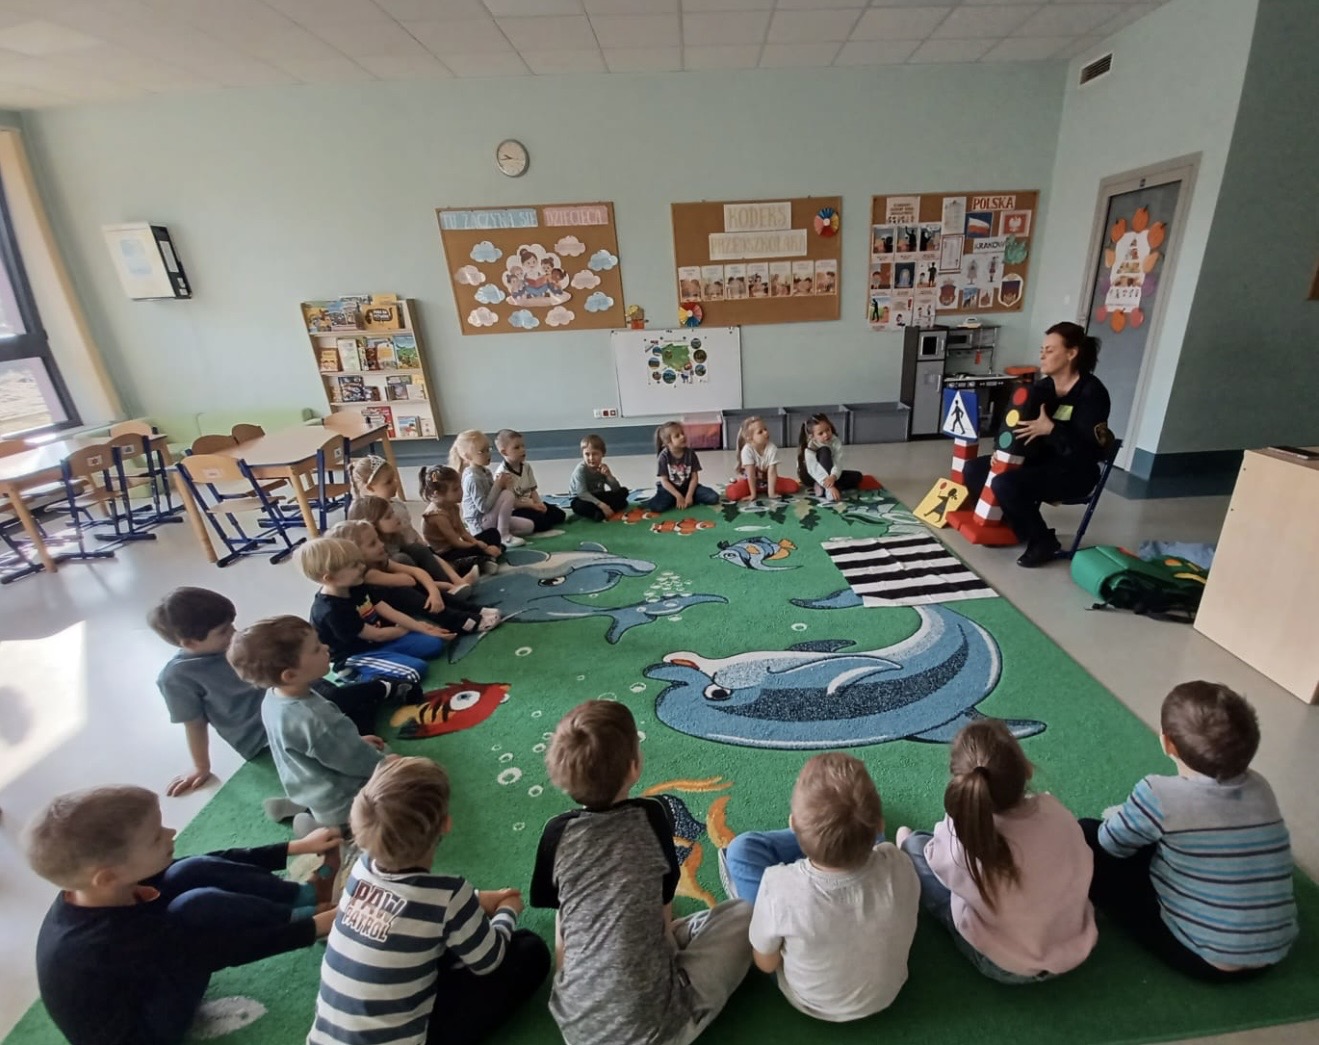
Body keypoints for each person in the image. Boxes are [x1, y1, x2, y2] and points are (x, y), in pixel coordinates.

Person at [28, 785, 337, 1045]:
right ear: (107, 876)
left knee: (188, 870)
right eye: (155, 837)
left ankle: (306, 896)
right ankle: (313, 918)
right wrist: (313, 928)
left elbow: (207, 863)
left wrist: (296, 847)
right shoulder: (107, 942)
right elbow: (219, 950)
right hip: (147, 1031)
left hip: (144, 973)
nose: (171, 833)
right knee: (195, 906)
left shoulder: (101, 887)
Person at [531, 700, 751, 1045]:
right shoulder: (652, 816)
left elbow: (563, 921)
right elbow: (664, 911)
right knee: (745, 915)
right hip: (658, 1029)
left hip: (577, 1027)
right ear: (634, 767)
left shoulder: (555, 833)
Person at [308, 757, 549, 1045]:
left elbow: (403, 912)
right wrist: (508, 910)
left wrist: (476, 900)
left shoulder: (360, 871)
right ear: (445, 824)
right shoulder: (448, 894)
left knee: (428, 945)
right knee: (530, 950)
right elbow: (489, 960)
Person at [1080, 681, 1298, 981]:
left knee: (1086, 834)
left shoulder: (1157, 794)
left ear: (1167, 743)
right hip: (1274, 952)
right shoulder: (1260, 786)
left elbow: (1110, 844)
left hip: (1204, 958)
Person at [148, 587, 402, 818]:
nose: (233, 633)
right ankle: (383, 689)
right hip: (266, 734)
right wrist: (201, 767)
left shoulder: (238, 650)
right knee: (345, 728)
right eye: (223, 631)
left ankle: (303, 800)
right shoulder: (176, 678)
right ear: (190, 643)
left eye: (231, 624)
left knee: (337, 706)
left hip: (287, 698)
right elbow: (193, 723)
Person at [895, 719, 1097, 984]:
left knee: (914, 846)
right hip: (1076, 942)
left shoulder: (962, 840)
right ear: (1026, 769)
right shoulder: (1054, 810)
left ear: (962, 784)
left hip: (1007, 966)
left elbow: (937, 862)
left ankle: (907, 847)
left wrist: (954, 820)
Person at [723, 754, 920, 1023]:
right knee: (866, 846)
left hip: (811, 1000)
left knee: (740, 850)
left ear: (793, 824)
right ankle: (840, 841)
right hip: (885, 992)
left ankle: (816, 847)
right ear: (880, 826)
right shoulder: (898, 861)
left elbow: (766, 963)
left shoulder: (777, 887)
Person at [960, 322, 1114, 567]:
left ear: (1071, 353)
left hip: (1074, 471)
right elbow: (1014, 426)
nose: (1042, 355)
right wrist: (1000, 452)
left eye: (1050, 350)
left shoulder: (1092, 393)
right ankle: (1012, 524)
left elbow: (1089, 452)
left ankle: (1043, 541)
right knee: (974, 469)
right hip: (1039, 460)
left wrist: (1051, 430)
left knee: (1005, 483)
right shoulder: (1042, 388)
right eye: (1042, 350)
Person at [230, 615, 388, 836]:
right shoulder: (315, 717)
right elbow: (355, 759)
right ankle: (318, 826)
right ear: (290, 675)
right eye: (316, 649)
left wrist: (354, 741)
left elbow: (312, 746)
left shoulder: (274, 696)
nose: (326, 647)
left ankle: (298, 804)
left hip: (307, 784)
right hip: (341, 803)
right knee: (395, 780)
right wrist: (386, 765)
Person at [299, 537, 448, 685]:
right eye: (354, 565)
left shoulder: (354, 585)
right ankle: (357, 677)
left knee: (434, 644)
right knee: (415, 671)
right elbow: (378, 635)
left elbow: (387, 610)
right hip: (356, 655)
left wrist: (420, 627)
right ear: (330, 578)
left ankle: (389, 660)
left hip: (377, 643)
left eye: (359, 562)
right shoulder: (332, 611)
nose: (362, 567)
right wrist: (409, 628)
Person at [328, 519, 499, 635]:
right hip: (386, 620)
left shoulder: (380, 561)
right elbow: (409, 580)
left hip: (404, 603)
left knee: (423, 590)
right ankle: (463, 622)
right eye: (373, 544)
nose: (381, 544)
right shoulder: (367, 574)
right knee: (402, 591)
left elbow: (418, 573)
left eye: (378, 539)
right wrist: (429, 589)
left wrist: (434, 592)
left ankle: (473, 609)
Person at [348, 455, 469, 584]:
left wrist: (421, 543)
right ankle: (439, 585)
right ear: (371, 488)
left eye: (394, 478)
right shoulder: (369, 513)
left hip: (408, 546)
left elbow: (409, 530)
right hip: (392, 559)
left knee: (423, 551)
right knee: (405, 559)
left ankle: (452, 581)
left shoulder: (397, 504)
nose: (395, 483)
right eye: (388, 482)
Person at [346, 485, 477, 589]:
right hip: (404, 588)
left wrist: (455, 580)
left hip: (420, 581)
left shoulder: (395, 536)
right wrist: (439, 587)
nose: (396, 518)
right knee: (402, 558)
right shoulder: (376, 553)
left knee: (418, 549)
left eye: (392, 513)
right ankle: (447, 590)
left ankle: (454, 584)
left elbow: (430, 556)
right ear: (373, 525)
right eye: (388, 517)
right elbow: (408, 579)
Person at [449, 429, 531, 548]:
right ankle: (503, 535)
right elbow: (483, 508)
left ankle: (498, 532)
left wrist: (505, 486)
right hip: (480, 523)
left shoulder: (485, 471)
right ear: (467, 456)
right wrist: (498, 485)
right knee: (507, 495)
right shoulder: (472, 478)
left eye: (489, 449)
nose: (488, 454)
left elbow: (496, 497)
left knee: (528, 526)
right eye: (482, 451)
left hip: (491, 517)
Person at [419, 465, 503, 572]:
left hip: (455, 548)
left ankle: (485, 558)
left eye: (460, 486)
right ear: (437, 494)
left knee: (492, 533)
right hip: (445, 554)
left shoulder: (453, 507)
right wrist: (481, 547)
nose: (461, 491)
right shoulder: (437, 516)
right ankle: (479, 561)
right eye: (455, 489)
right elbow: (456, 542)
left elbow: (463, 533)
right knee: (478, 549)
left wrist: (478, 543)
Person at [495, 427, 567, 532]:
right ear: (504, 452)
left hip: (531, 504)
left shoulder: (526, 466)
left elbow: (532, 490)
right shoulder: (502, 475)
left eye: (523, 446)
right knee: (544, 523)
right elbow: (511, 502)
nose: (522, 450)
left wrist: (539, 504)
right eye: (516, 448)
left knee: (560, 515)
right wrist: (532, 506)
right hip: (516, 509)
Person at [797, 413, 874, 501]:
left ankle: (821, 487)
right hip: (811, 476)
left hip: (829, 475)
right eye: (821, 433)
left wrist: (833, 477)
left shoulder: (835, 441)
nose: (826, 434)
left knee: (857, 476)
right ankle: (827, 488)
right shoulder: (810, 447)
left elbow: (838, 462)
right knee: (825, 450)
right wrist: (829, 486)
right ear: (812, 437)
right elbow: (813, 469)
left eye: (827, 430)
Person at [648, 420, 720, 513]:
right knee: (656, 507)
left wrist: (689, 495)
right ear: (668, 442)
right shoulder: (663, 457)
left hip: (688, 488)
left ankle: (684, 499)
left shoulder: (690, 453)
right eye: (677, 436)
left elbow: (694, 477)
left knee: (713, 497)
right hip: (670, 490)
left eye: (682, 433)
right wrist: (678, 496)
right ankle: (676, 499)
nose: (682, 436)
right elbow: (664, 481)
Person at [725, 416, 800, 502]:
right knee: (732, 493)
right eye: (760, 432)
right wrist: (753, 494)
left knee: (793, 486)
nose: (765, 432)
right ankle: (741, 483)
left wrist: (771, 493)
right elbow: (751, 474)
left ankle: (764, 489)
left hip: (768, 482)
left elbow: (772, 472)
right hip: (750, 482)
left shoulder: (772, 448)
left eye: (765, 429)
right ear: (750, 438)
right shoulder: (747, 450)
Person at [568, 434, 630, 522]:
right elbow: (582, 493)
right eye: (587, 454)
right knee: (578, 505)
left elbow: (616, 488)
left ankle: (601, 513)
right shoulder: (580, 470)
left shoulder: (602, 467)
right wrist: (601, 505)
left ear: (602, 454)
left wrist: (609, 475)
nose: (591, 458)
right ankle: (599, 513)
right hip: (582, 498)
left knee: (624, 491)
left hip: (598, 495)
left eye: (595, 454)